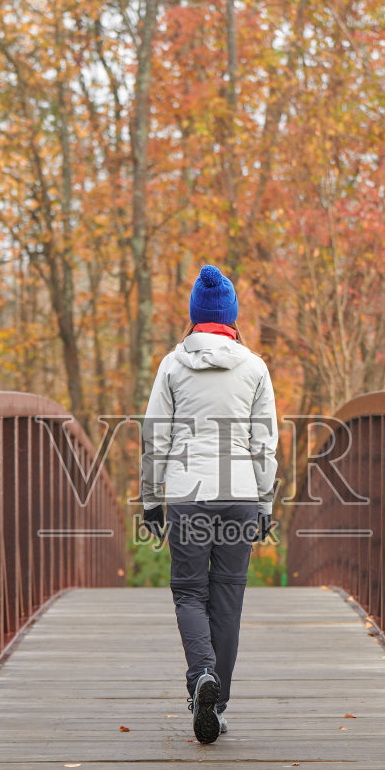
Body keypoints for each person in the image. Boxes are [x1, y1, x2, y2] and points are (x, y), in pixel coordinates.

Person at [140, 264, 278, 745]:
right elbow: (265, 444)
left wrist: (152, 499)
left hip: (186, 495)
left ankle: (201, 675)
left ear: (195, 318)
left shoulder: (173, 365)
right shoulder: (255, 367)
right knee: (228, 600)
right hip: (240, 495)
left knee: (189, 593)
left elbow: (154, 437)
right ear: (232, 318)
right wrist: (264, 502)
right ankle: (216, 707)